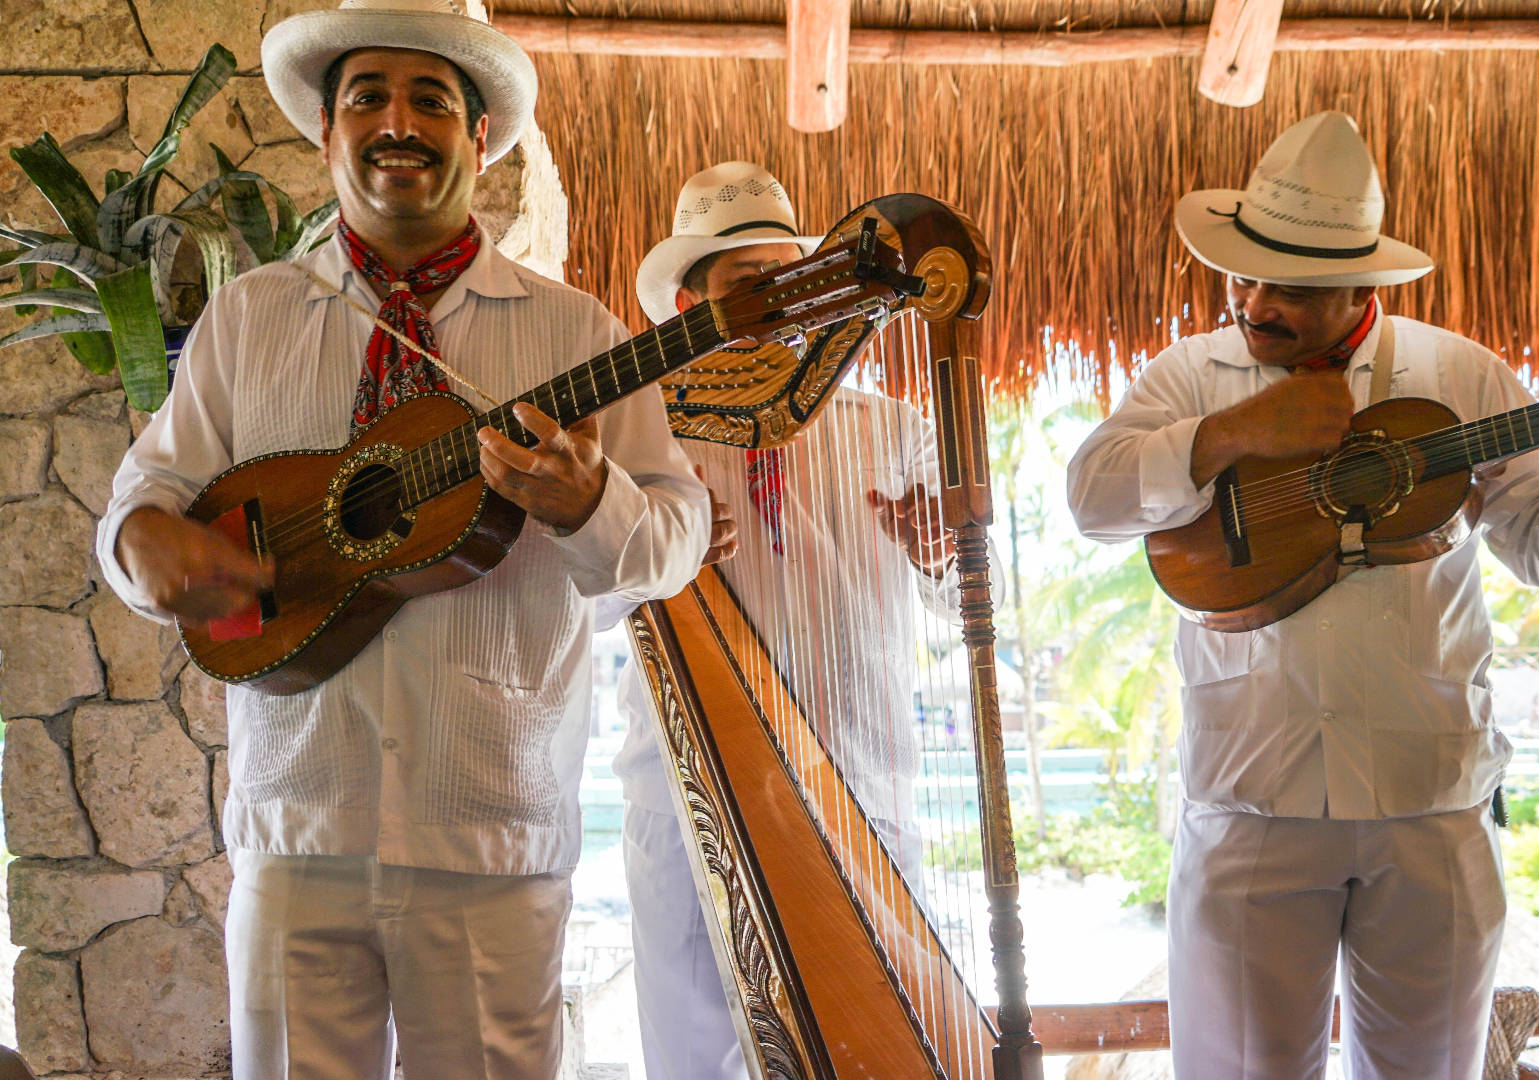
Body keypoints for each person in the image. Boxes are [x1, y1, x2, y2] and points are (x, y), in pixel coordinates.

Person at [92, 2, 709, 1076]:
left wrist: (586, 504)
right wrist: (149, 554)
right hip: (296, 827)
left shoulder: (575, 333)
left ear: (481, 140)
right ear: (327, 135)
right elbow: (143, 502)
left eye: (433, 99)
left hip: (492, 830)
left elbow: (678, 538)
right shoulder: (248, 319)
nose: (398, 122)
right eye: (367, 97)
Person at [1065, 111, 1539, 1080]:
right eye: (1243, 274)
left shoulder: (1460, 374)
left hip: (1433, 803)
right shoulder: (1190, 375)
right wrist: (1232, 433)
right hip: (1251, 800)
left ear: (1361, 285)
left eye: (1290, 286)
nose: (1254, 302)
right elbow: (1092, 495)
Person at [602, 161, 985, 1080]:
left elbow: (977, 587)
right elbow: (576, 604)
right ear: (689, 306)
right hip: (683, 796)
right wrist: (653, 543)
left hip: (869, 787)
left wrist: (940, 550)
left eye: (794, 279)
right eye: (746, 285)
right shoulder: (639, 437)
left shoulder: (888, 424)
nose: (779, 302)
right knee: (692, 1060)